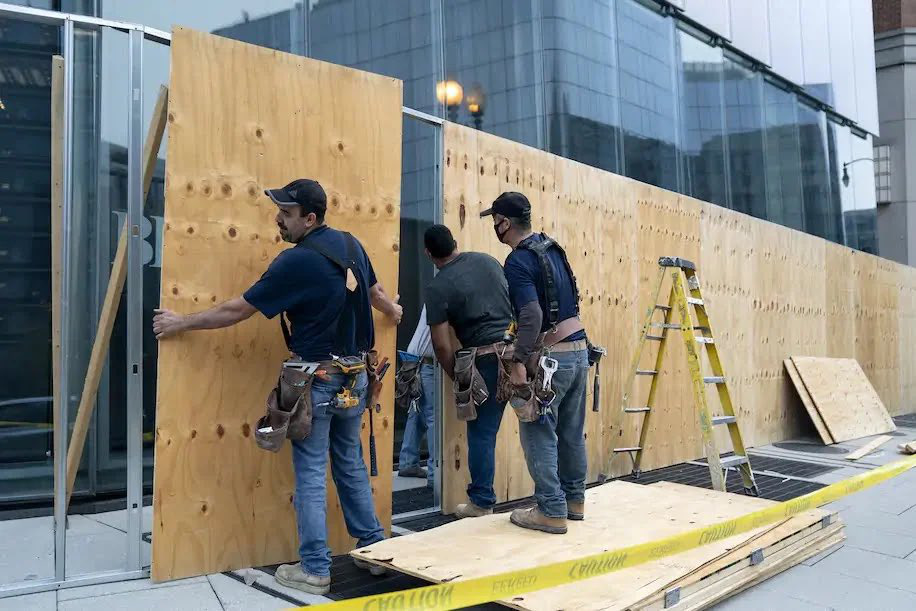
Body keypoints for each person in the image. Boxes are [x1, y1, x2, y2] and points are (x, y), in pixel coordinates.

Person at [152, 178, 402, 594]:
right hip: (355, 378)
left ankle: (316, 569)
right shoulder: (351, 245)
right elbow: (374, 292)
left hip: (317, 379)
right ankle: (375, 549)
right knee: (350, 464)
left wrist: (183, 322)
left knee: (309, 473)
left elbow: (238, 309)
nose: (278, 220)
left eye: (286, 214)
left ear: (310, 218)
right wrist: (394, 310)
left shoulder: (295, 262)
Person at [481, 191, 589, 535]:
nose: (494, 228)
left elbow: (531, 314)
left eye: (495, 221)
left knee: (537, 430)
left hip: (549, 359)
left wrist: (517, 357)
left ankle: (550, 510)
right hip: (578, 351)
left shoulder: (518, 261)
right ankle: (574, 501)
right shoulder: (552, 249)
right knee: (571, 432)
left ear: (505, 223)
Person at [423, 224, 514, 518]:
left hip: (484, 360)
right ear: (455, 243)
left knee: (481, 432)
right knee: (536, 423)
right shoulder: (488, 260)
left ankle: (481, 502)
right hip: (517, 353)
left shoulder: (438, 287)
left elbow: (441, 345)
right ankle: (555, 496)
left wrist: (457, 377)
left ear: (428, 253)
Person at [396, 305, 436, 486]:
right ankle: (436, 474)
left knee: (417, 410)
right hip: (426, 362)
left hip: (413, 358)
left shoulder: (433, 294)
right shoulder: (446, 291)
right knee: (435, 417)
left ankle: (407, 461)